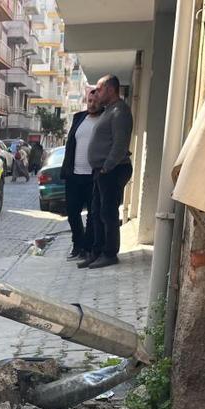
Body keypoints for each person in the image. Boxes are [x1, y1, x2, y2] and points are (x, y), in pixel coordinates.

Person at [79, 74, 134, 269]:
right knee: (96, 212)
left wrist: (107, 166)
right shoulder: (109, 110)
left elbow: (120, 144)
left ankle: (110, 253)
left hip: (112, 170)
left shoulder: (120, 111)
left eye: (100, 89)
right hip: (102, 171)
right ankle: (97, 251)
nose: (96, 93)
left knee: (108, 213)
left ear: (110, 90)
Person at [61, 89, 104, 261]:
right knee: (72, 212)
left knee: (92, 215)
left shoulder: (104, 120)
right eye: (89, 101)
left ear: (101, 102)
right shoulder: (79, 118)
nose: (91, 104)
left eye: (95, 101)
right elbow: (70, 144)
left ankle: (87, 248)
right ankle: (77, 244)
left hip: (93, 175)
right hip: (74, 174)